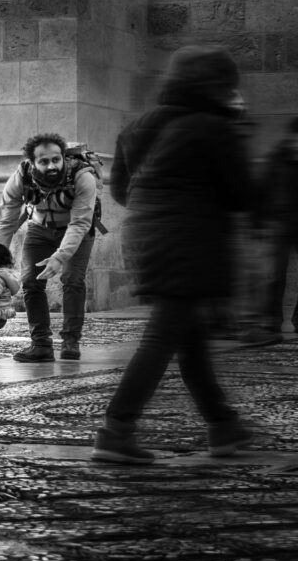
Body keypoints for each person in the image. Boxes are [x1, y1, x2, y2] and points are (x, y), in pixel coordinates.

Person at [91, 45, 254, 465]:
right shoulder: (211, 126)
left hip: (147, 237)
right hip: (190, 241)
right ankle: (117, 429)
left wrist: (156, 209)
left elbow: (120, 190)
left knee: (188, 338)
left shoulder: (139, 125)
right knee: (164, 337)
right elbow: (240, 193)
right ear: (217, 85)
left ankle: (223, 425)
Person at [0, 132, 99, 362]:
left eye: (56, 160)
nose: (51, 165)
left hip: (76, 230)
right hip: (39, 229)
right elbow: (7, 220)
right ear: (32, 162)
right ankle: (41, 344)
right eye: (43, 161)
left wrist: (60, 257)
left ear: (63, 158)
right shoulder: (21, 176)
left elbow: (80, 223)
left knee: (72, 279)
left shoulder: (82, 176)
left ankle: (71, 341)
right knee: (30, 281)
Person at [241, 117, 298, 344]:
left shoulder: (278, 158)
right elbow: (262, 190)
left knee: (275, 275)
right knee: (275, 276)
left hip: (284, 221)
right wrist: (257, 222)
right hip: (281, 223)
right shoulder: (278, 158)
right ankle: (271, 322)